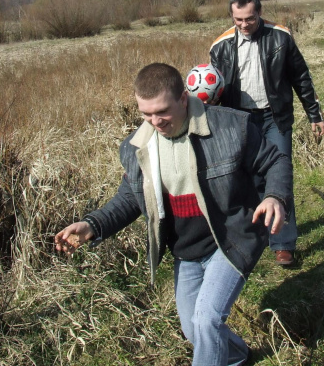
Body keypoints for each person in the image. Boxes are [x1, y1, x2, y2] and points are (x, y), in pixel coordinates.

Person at [55, 63, 291, 366]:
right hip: (186, 251)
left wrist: (275, 197)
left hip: (229, 240)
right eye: (146, 114)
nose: (155, 121)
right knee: (193, 329)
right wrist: (92, 224)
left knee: (206, 320)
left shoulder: (231, 127)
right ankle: (237, 357)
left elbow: (275, 162)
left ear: (183, 98)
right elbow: (129, 198)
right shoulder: (136, 147)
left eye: (162, 111)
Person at [210, 0, 324, 266]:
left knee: (280, 174)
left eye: (249, 19)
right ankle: (251, 236)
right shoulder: (220, 46)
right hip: (239, 121)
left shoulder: (281, 37)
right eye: (238, 20)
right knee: (245, 181)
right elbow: (214, 89)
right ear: (232, 16)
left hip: (275, 118)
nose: (244, 25)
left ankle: (283, 243)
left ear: (259, 12)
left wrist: (315, 114)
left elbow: (301, 77)